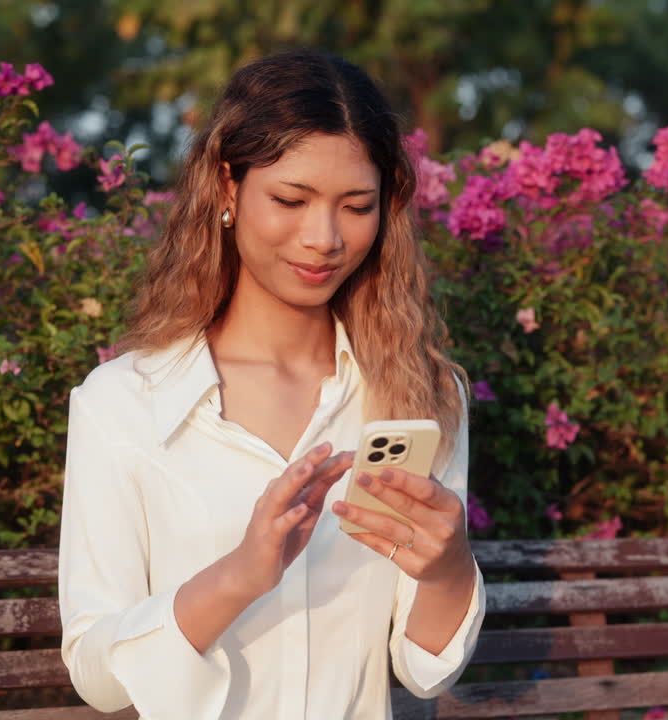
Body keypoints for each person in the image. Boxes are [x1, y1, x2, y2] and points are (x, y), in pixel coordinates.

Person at [57, 47, 483, 720]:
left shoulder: (418, 395)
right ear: (227, 188)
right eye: (291, 198)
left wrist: (448, 565)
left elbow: (426, 672)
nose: (324, 238)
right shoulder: (123, 403)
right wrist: (238, 576)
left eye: (356, 206)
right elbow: (96, 674)